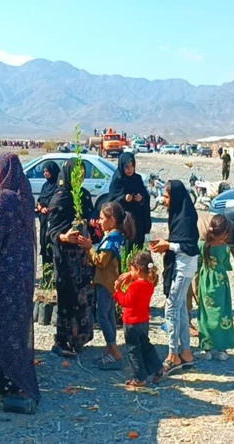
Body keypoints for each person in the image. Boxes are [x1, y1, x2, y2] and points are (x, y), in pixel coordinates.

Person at [0, 153, 41, 410]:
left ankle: (11, 382)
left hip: (3, 275)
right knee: (16, 328)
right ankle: (13, 380)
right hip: (22, 274)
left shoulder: (3, 199)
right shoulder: (23, 196)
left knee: (0, 328)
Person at [46, 159, 95, 357]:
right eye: (76, 174)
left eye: (82, 174)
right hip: (65, 258)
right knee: (67, 297)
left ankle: (79, 338)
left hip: (82, 256)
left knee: (83, 297)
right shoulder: (60, 197)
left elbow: (91, 221)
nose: (80, 178)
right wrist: (64, 237)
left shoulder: (83, 195)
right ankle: (62, 340)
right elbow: (50, 230)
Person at [78, 202, 135, 370]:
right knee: (109, 315)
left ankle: (115, 352)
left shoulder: (111, 239)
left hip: (105, 281)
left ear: (112, 220)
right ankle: (110, 348)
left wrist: (89, 248)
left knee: (102, 316)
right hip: (112, 282)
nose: (99, 222)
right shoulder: (117, 236)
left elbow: (101, 262)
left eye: (102, 219)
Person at [150, 180, 199, 374]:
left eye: (168, 196)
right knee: (180, 310)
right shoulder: (179, 214)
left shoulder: (186, 218)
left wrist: (168, 246)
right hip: (181, 266)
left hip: (183, 267)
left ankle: (173, 355)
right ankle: (186, 353)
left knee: (171, 308)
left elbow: (189, 246)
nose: (164, 200)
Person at [113, 251, 165, 389]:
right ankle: (157, 367)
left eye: (131, 269)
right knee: (145, 346)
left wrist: (117, 290)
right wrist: (131, 276)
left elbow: (125, 302)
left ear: (136, 269)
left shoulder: (135, 286)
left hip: (132, 322)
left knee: (134, 350)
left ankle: (140, 378)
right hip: (143, 321)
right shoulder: (149, 283)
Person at [196, 214, 234, 361]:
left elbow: (198, 263)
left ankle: (206, 348)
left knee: (205, 314)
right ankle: (222, 349)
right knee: (223, 312)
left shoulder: (201, 245)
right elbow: (226, 264)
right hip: (220, 281)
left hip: (205, 281)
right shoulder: (225, 248)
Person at [107, 152, 152, 248]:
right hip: (123, 223)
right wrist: (123, 198)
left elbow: (145, 197)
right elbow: (111, 201)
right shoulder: (117, 181)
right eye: (127, 167)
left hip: (137, 221)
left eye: (132, 166)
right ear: (122, 167)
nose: (130, 170)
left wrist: (141, 199)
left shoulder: (137, 179)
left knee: (137, 248)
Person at [36, 161, 60, 266]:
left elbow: (58, 202)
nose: (45, 173)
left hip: (53, 221)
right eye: (44, 171)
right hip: (43, 220)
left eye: (47, 171)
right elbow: (40, 200)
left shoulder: (58, 186)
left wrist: (50, 209)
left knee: (52, 245)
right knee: (44, 242)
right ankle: (46, 277)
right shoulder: (45, 186)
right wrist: (40, 207)